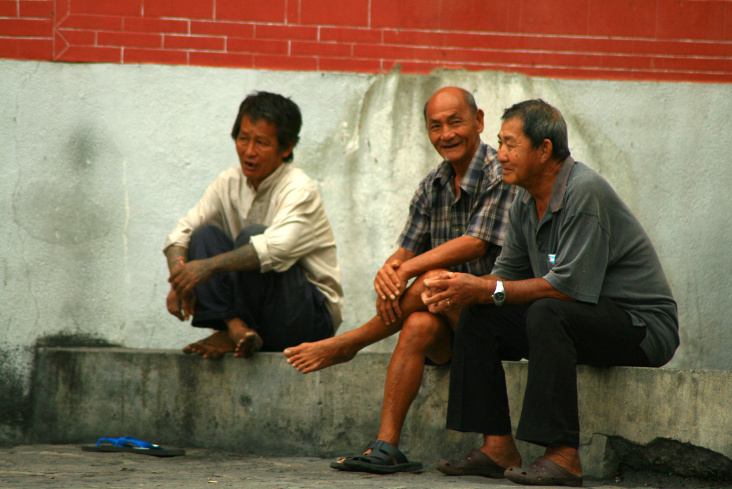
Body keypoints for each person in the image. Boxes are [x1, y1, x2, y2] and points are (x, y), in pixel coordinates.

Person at [422, 99, 679, 486]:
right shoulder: (525, 202)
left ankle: (563, 456)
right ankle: (497, 448)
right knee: (479, 312)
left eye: (511, 145)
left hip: (641, 326)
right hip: (581, 317)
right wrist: (460, 291)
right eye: (500, 143)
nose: (501, 155)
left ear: (544, 150)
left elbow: (568, 290)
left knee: (545, 310)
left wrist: (482, 287)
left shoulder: (584, 191)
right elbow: (504, 279)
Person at [284, 87, 516, 473]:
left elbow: (476, 244)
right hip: (451, 320)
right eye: (436, 126)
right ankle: (386, 445)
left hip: (499, 315)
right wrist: (390, 273)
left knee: (435, 279)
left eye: (456, 122)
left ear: (479, 121)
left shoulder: (499, 173)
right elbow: (406, 250)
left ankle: (349, 343)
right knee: (419, 321)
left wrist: (409, 272)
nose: (446, 134)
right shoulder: (432, 185)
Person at [164, 91, 344, 360]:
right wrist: (181, 280)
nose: (249, 151)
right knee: (204, 235)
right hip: (257, 320)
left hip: (306, 319)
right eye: (243, 139)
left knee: (253, 236)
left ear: (286, 148)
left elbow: (275, 249)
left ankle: (233, 330)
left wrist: (207, 267)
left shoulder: (300, 188)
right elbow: (183, 231)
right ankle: (237, 329)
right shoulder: (228, 182)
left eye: (261, 142)